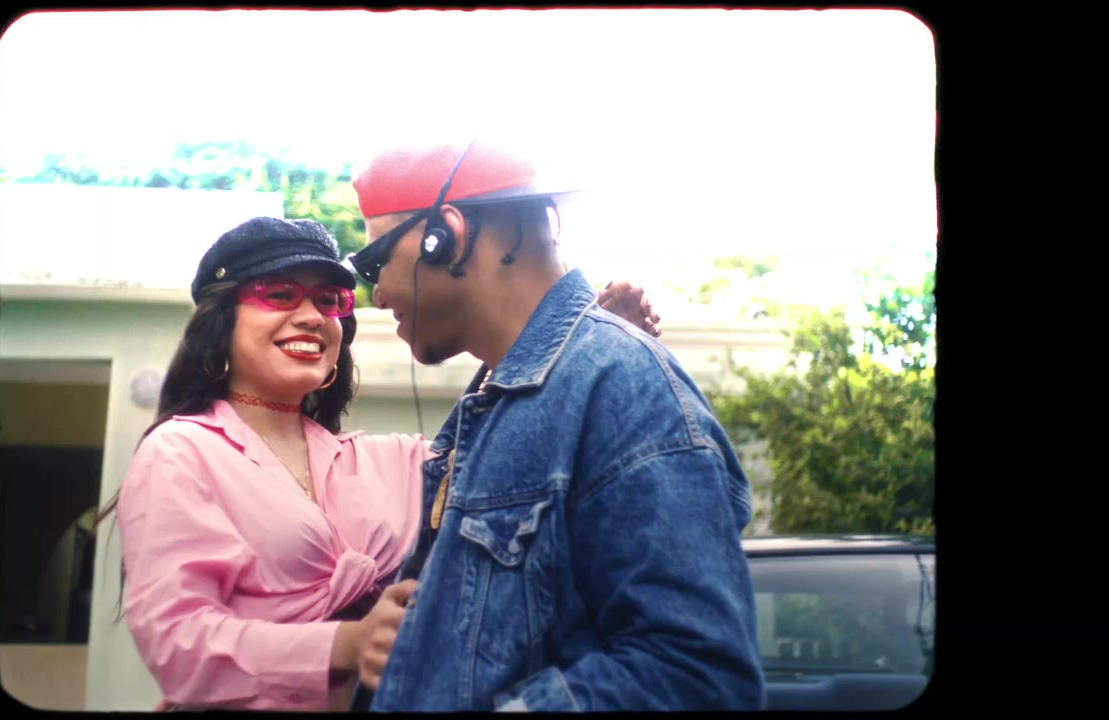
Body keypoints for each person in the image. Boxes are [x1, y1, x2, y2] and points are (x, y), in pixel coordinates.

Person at [97, 215, 664, 712]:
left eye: (329, 302)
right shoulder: (181, 450)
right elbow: (179, 642)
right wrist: (347, 643)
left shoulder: (387, 459)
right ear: (221, 323)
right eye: (281, 294)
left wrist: (586, 349)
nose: (312, 316)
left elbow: (505, 450)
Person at [343, 137, 767, 711]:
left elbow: (694, 676)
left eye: (374, 262)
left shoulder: (624, 387)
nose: (376, 291)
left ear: (447, 235)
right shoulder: (495, 404)